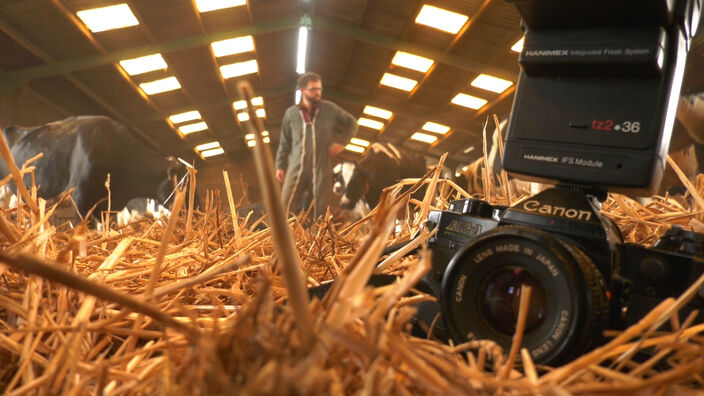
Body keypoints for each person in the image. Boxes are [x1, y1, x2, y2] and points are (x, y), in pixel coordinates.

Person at [275, 72, 357, 218]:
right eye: (313, 89)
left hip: (321, 166)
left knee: (320, 208)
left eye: (319, 89)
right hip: (296, 166)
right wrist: (280, 165)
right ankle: (284, 237)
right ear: (302, 90)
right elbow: (285, 141)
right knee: (285, 204)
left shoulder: (330, 110)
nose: (318, 93)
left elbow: (352, 123)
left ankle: (318, 238)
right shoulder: (291, 114)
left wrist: (342, 142)